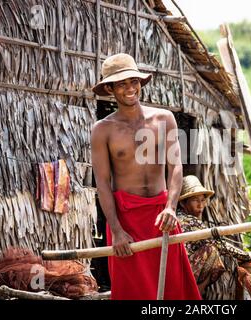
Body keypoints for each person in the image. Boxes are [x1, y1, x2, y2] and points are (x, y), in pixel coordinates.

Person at [90, 53, 200, 300]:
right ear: (110, 89)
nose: (130, 88)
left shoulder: (164, 119)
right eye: (122, 84)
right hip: (126, 221)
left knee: (173, 287)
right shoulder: (102, 130)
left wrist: (171, 207)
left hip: (163, 217)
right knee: (134, 291)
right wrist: (116, 230)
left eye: (133, 81)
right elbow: (103, 185)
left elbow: (176, 168)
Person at [177, 175, 251, 297]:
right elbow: (218, 244)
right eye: (195, 200)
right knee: (211, 249)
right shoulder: (188, 221)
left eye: (202, 200)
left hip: (179, 269)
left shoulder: (181, 217)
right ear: (183, 203)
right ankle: (195, 293)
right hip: (181, 269)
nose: (200, 205)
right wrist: (245, 255)